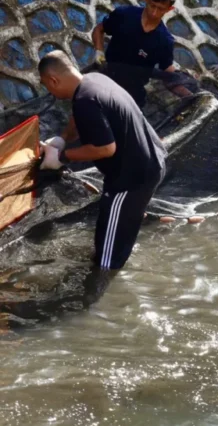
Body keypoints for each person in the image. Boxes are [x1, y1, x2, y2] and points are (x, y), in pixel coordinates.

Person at [37, 50, 167, 270]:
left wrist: (61, 157)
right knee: (112, 231)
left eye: (46, 86)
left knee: (106, 261)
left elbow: (105, 148)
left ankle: (100, 297)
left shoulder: (86, 100)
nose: (49, 90)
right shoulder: (93, 81)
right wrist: (63, 138)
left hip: (132, 178)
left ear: (53, 80)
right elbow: (78, 119)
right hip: (149, 160)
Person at [91, 0, 178, 107]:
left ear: (170, 9)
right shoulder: (124, 14)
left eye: (160, 9)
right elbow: (99, 29)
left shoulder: (165, 41)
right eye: (152, 5)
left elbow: (167, 69)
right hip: (105, 78)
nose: (154, 13)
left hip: (131, 96)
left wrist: (184, 84)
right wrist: (99, 51)